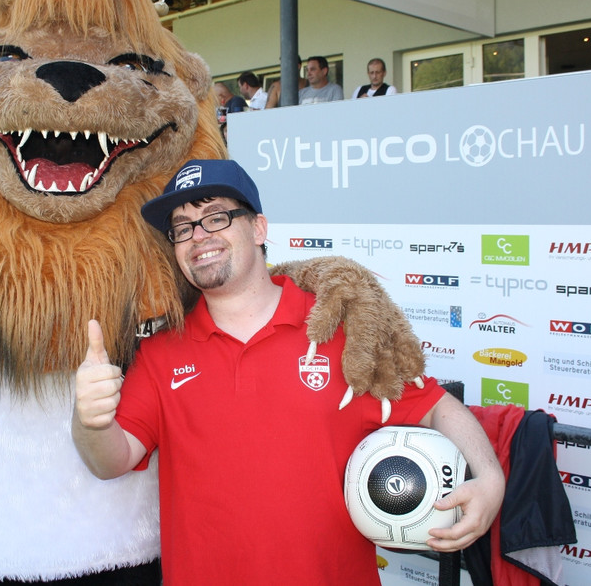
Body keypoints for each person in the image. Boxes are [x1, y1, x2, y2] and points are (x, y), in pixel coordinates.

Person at [73, 159, 504, 585]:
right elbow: (112, 460)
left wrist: (489, 478)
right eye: (182, 228)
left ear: (258, 228)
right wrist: (90, 422)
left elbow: (436, 406)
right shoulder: (160, 353)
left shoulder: (340, 327)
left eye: (216, 218)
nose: (198, 236)